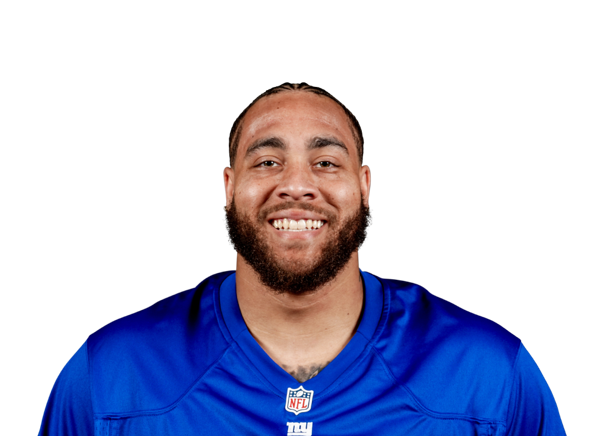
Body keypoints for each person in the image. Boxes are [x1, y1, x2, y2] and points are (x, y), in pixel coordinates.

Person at [39, 82, 566, 435]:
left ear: (364, 186)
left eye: (326, 162)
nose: (296, 185)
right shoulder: (111, 373)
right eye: (267, 161)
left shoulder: (488, 372)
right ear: (229, 188)